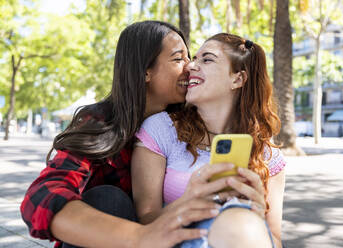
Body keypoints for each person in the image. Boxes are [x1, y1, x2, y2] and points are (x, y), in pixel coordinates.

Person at [20, 21, 235, 248]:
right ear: (145, 72)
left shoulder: (189, 122)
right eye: (178, 58)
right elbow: (42, 197)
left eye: (190, 57)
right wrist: (139, 237)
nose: (190, 66)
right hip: (123, 238)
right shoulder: (101, 122)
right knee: (108, 199)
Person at [132, 33, 286, 248]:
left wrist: (259, 217)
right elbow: (143, 223)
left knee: (240, 223)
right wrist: (188, 202)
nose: (191, 66)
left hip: (242, 238)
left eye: (206, 59)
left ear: (238, 79)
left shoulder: (269, 156)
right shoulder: (161, 130)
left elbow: (276, 242)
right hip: (178, 240)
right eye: (194, 58)